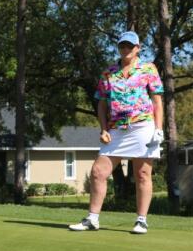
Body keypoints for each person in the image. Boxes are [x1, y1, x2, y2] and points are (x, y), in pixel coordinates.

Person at [69, 31, 164, 234]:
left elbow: (157, 101)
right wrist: (103, 128)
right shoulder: (109, 73)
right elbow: (102, 104)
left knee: (142, 173)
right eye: (122, 45)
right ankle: (92, 219)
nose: (125, 49)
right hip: (115, 129)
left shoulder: (148, 69)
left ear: (138, 48)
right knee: (98, 172)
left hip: (142, 126)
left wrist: (159, 129)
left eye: (130, 46)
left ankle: (141, 220)